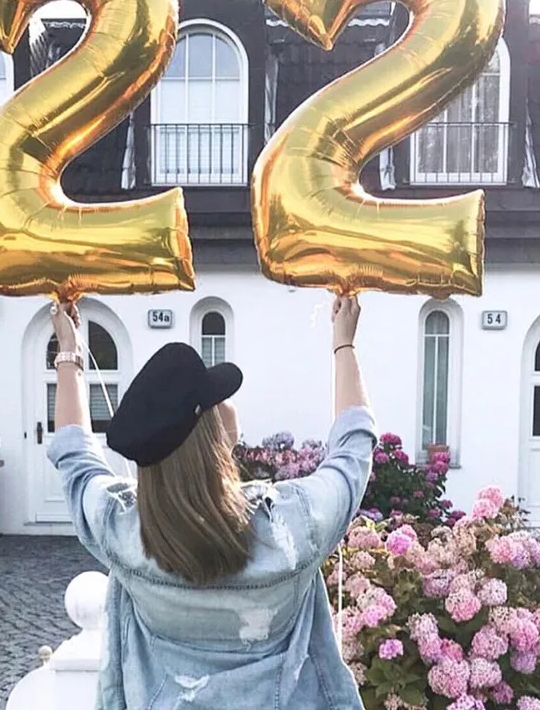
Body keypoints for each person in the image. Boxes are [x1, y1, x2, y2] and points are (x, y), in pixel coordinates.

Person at [48, 295, 376, 709]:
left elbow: (75, 460)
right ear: (210, 428)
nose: (228, 402)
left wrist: (69, 355)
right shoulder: (291, 528)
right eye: (218, 397)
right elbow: (352, 453)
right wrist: (344, 344)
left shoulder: (124, 530)